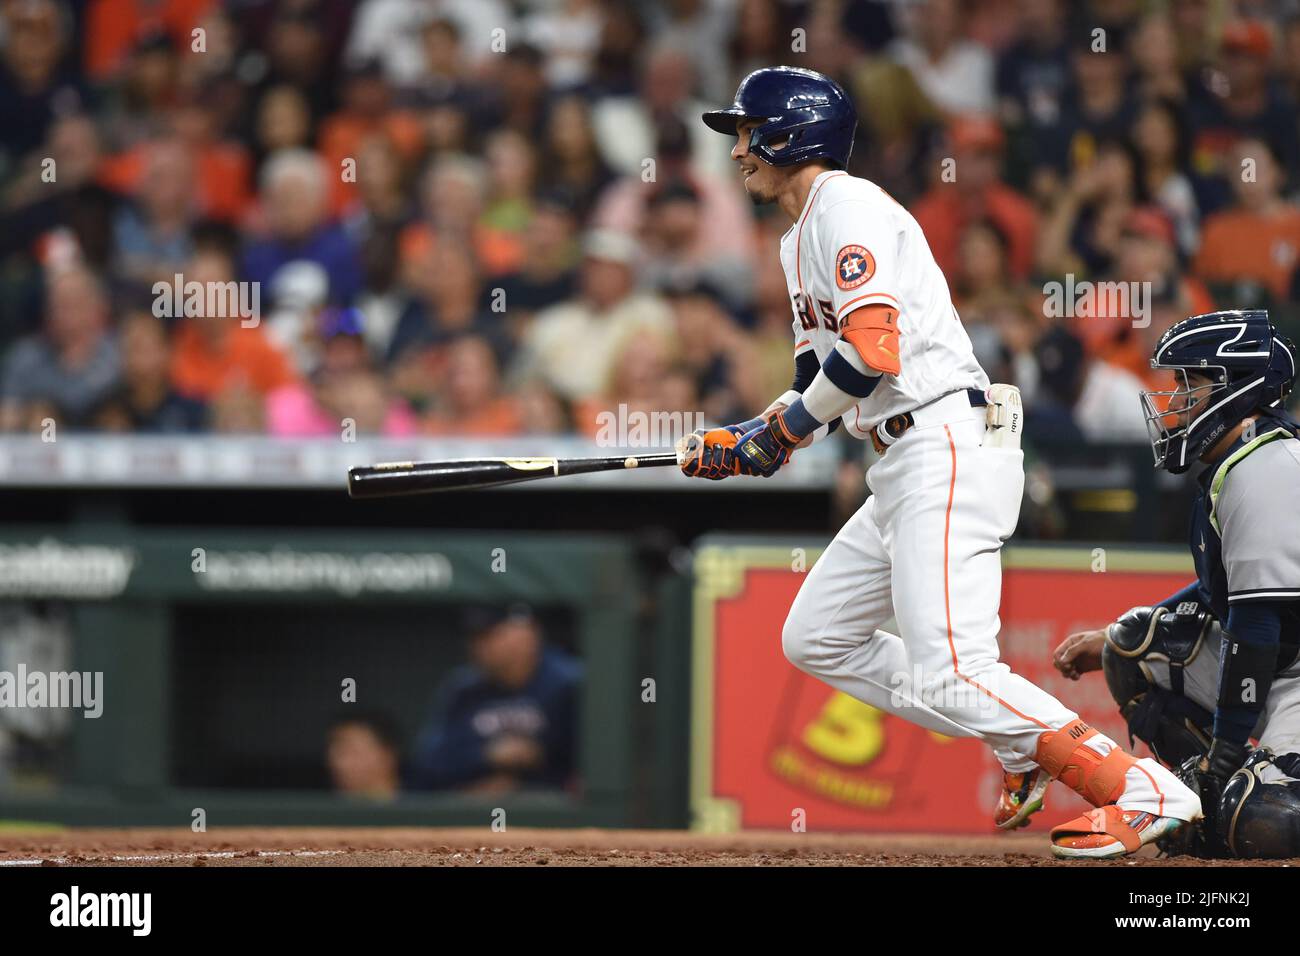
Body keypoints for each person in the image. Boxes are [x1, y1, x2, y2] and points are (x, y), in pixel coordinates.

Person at [688, 65, 1200, 858]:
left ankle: (1141, 787)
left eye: (748, 134)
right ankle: (1024, 742)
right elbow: (818, 383)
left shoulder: (845, 205)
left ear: (792, 134)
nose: (738, 151)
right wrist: (744, 437)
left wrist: (780, 431)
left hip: (942, 439)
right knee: (818, 637)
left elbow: (873, 351)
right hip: (902, 453)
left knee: (954, 666)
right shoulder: (800, 237)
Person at [1053, 310, 1300, 859]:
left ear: (1240, 388)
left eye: (1194, 382)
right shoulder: (1240, 461)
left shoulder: (1269, 467)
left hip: (1295, 676)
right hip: (1282, 664)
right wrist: (1114, 637)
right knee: (1133, 642)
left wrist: (1225, 756)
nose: (1178, 398)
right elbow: (1228, 599)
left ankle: (1224, 801)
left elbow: (1255, 625)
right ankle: (1199, 803)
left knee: (1261, 818)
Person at [408, 606, 580, 793]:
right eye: (475, 638)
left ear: (527, 634)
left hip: (554, 810)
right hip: (474, 811)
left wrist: (537, 756)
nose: (480, 647)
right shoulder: (463, 691)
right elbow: (429, 762)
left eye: (491, 635)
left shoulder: (569, 684)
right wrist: (485, 754)